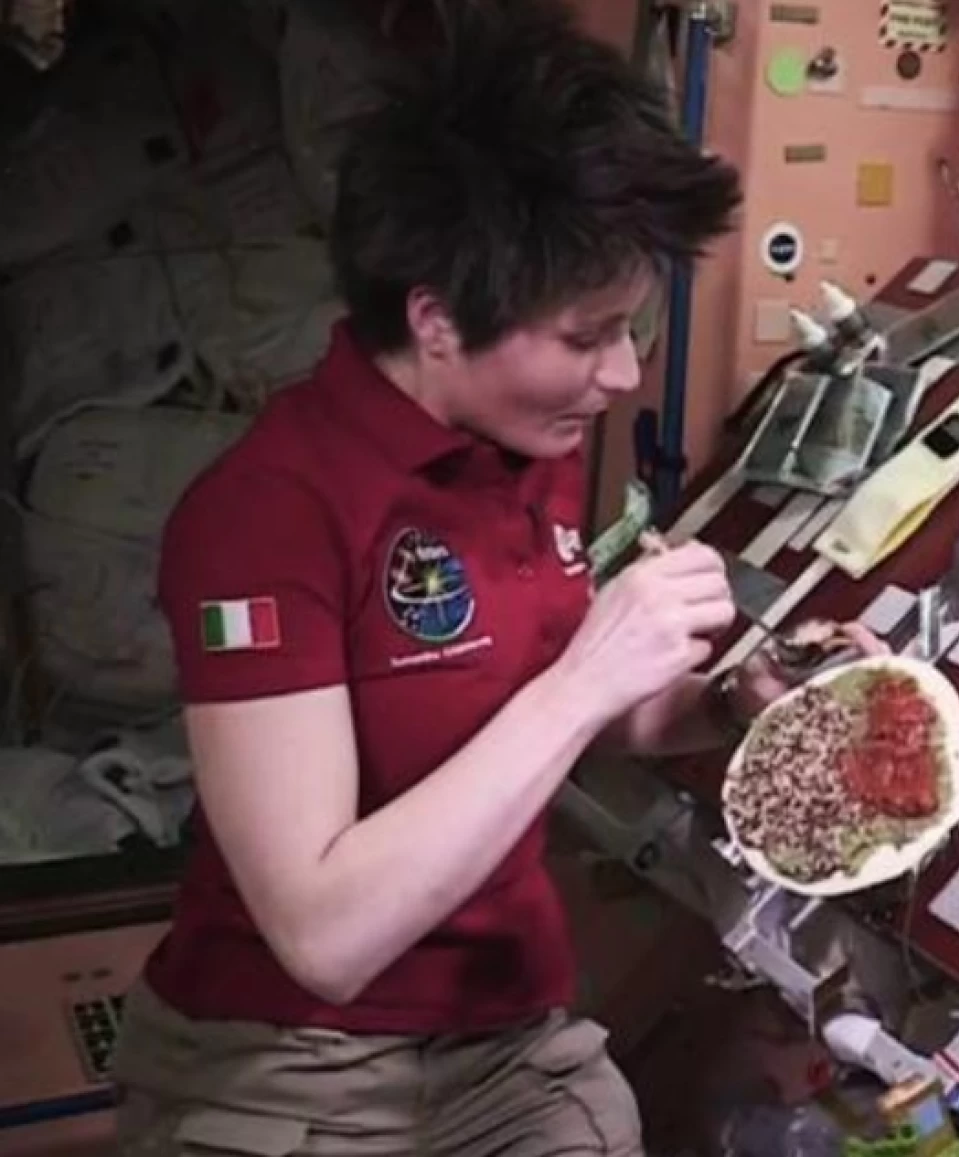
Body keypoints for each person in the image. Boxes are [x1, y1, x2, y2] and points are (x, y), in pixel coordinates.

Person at [112, 4, 884, 1155]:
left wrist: (730, 700)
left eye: (631, 331)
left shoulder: (522, 451)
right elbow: (324, 933)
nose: (619, 375)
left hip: (505, 1039)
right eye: (585, 336)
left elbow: (554, 706)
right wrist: (585, 678)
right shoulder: (266, 515)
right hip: (292, 1061)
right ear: (434, 317)